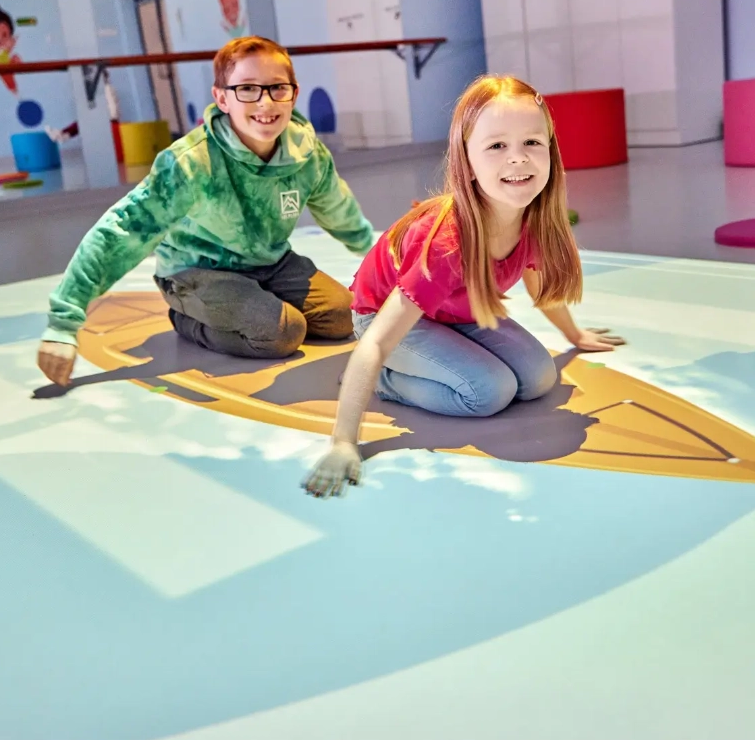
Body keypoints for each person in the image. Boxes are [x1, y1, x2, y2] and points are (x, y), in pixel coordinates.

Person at [302, 75, 625, 499]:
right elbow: (378, 341)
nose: (518, 158)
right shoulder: (446, 243)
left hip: (455, 312)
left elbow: (537, 283)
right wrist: (344, 442)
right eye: (497, 146)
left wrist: (575, 335)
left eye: (532, 142)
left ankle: (428, 361)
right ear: (467, 162)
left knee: (539, 378)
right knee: (487, 393)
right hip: (384, 319)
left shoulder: (531, 215)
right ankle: (387, 382)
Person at [36, 35, 376, 387]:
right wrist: (63, 323)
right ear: (222, 98)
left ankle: (253, 303)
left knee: (344, 316)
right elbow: (121, 232)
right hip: (197, 269)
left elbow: (338, 209)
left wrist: (378, 257)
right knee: (281, 333)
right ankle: (187, 317)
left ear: (293, 93)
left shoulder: (307, 153)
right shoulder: (190, 162)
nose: (265, 101)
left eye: (277, 88)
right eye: (247, 88)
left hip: (271, 263)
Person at [46, 71, 120, 143]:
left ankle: (63, 135)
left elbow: (112, 104)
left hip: (109, 119)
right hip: (103, 117)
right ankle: (63, 135)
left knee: (82, 123)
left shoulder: (107, 89)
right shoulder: (98, 91)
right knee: (82, 123)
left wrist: (113, 118)